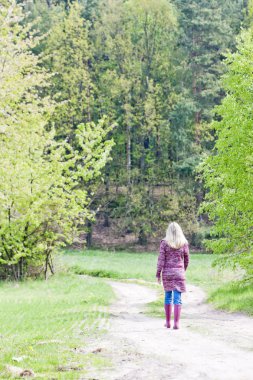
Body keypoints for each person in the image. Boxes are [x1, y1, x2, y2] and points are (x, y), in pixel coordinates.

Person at [156, 222, 189, 329]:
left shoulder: (164, 243)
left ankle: (168, 322)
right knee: (177, 298)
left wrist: (158, 273)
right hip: (179, 272)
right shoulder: (183, 243)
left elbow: (161, 260)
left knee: (168, 297)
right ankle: (176, 323)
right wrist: (183, 270)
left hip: (167, 273)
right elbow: (187, 259)